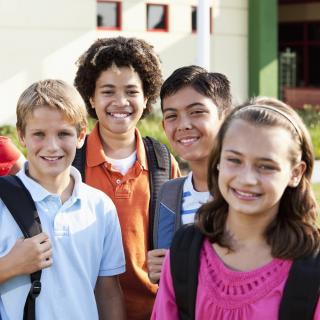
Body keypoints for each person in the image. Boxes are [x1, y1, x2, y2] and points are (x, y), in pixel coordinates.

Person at [151, 98, 320, 319]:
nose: (247, 179)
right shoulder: (184, 253)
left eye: (266, 166)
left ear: (295, 173)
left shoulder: (311, 269)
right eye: (234, 160)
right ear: (218, 160)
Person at [0, 79, 125, 320]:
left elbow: (108, 292)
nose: (52, 146)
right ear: (21, 136)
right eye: (39, 134)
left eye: (63, 133)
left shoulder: (100, 207)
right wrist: (9, 266)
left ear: (80, 136)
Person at [74, 36, 180, 319]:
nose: (120, 102)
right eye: (107, 91)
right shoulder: (71, 161)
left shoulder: (162, 162)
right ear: (90, 98)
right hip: (86, 310)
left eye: (131, 91)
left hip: (154, 310)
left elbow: (183, 236)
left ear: (146, 98)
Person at [147, 65, 232, 284]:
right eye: (172, 116)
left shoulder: (244, 190)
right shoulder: (169, 194)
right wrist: (160, 271)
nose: (183, 125)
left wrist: (179, 265)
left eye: (197, 112)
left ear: (226, 117)